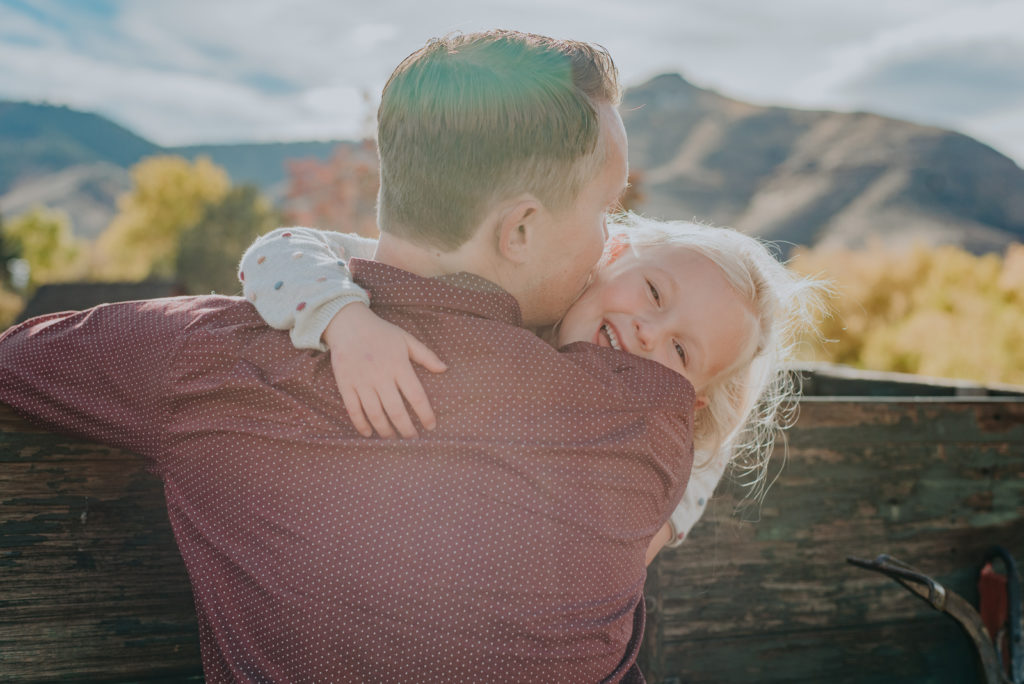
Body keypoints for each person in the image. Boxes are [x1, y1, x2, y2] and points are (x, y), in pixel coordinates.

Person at [0, 30, 693, 682]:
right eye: (605, 209)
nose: (609, 244)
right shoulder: (640, 412)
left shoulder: (209, 356)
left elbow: (16, 363)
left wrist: (336, 301)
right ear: (519, 229)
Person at [239, 214, 824, 556]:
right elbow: (277, 252)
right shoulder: (502, 296)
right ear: (614, 253)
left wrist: (660, 525)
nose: (649, 332)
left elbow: (706, 452)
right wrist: (347, 320)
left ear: (685, 400)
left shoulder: (636, 447)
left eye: (679, 349)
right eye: (652, 293)